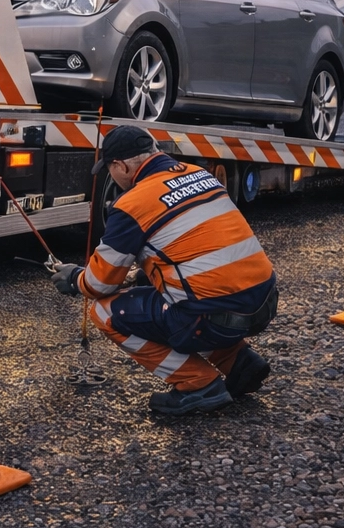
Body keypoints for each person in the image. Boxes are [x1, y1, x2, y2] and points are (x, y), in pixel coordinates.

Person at [48, 125, 277, 416]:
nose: (112, 177)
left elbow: (99, 284)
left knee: (104, 312)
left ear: (120, 166)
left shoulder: (133, 203)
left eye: (109, 169)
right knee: (190, 295)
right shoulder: (199, 174)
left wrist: (74, 278)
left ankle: (198, 384)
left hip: (215, 319)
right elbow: (196, 251)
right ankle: (238, 362)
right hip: (264, 304)